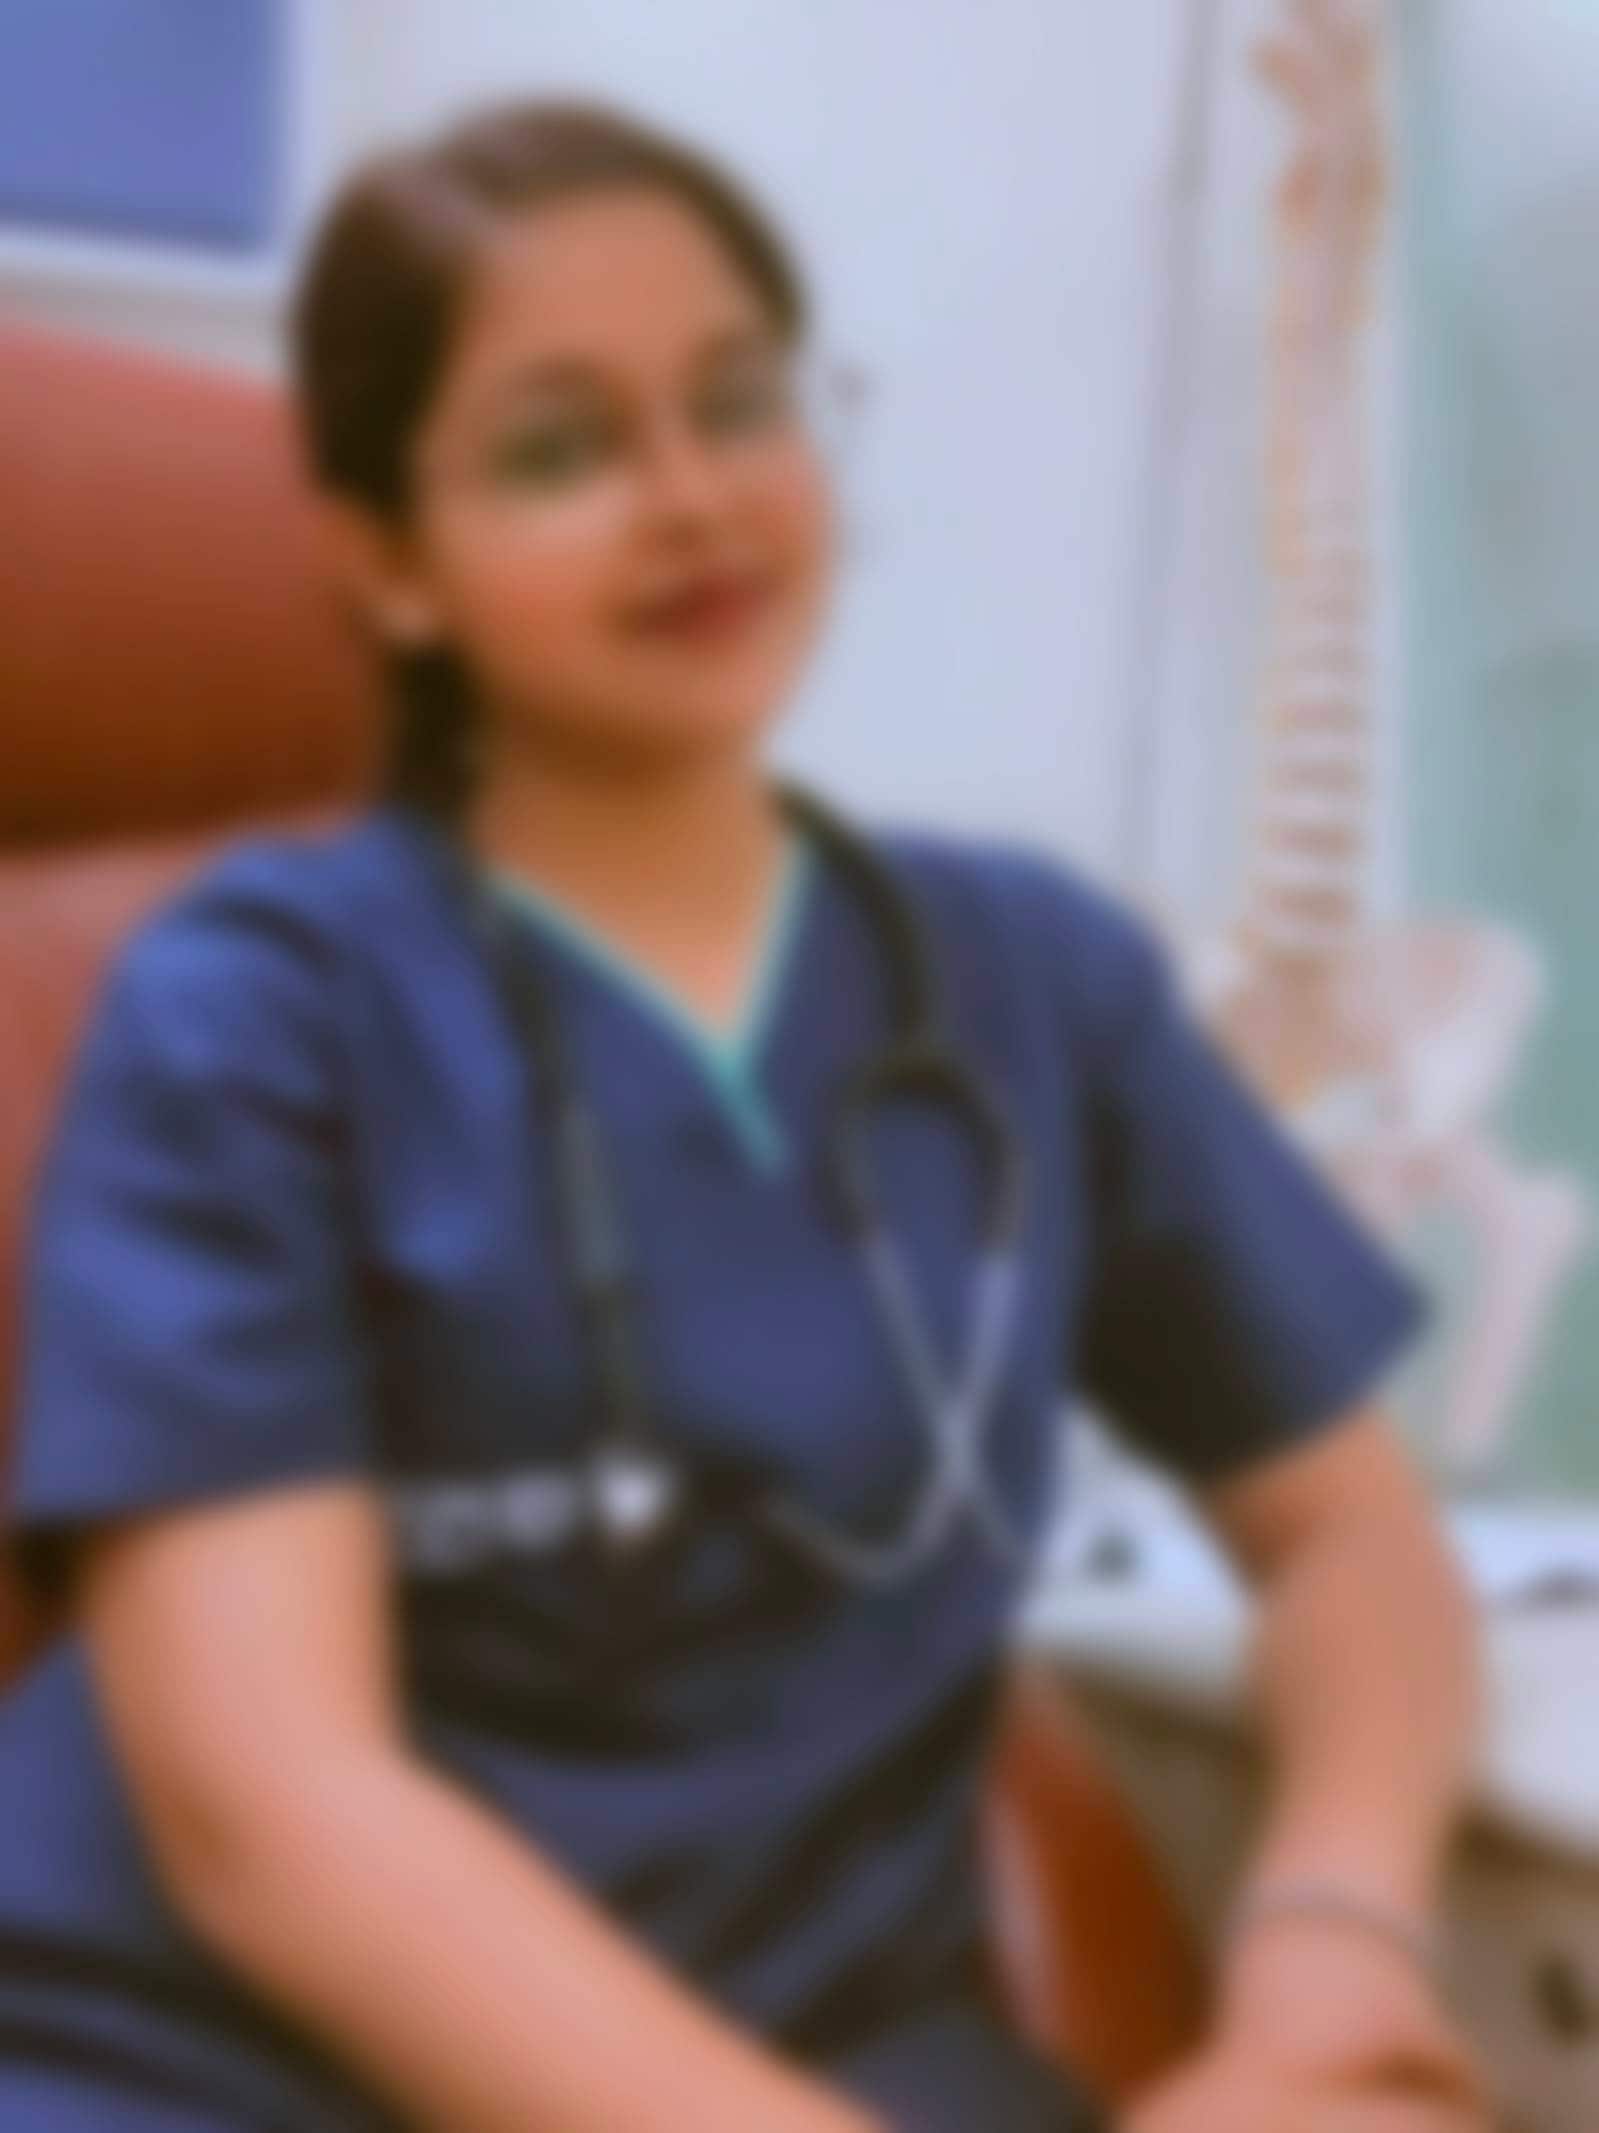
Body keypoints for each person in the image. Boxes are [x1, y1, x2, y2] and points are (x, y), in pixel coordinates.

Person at [0, 99, 1490, 2133]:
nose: (692, 498)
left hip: (836, 2058)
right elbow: (274, 1814)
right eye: (560, 449)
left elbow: (1348, 1538)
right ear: (384, 563)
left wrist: (1331, 1939)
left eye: (734, 401)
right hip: (234, 2074)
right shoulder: (257, 1013)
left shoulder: (1026, 980)